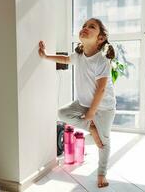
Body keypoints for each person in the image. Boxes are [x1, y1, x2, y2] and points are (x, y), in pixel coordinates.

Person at [38, 18, 116, 188]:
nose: (85, 28)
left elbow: (101, 90)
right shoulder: (79, 56)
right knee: (62, 113)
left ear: (100, 38)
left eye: (91, 27)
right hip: (83, 103)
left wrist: (91, 113)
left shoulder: (101, 61)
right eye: (84, 26)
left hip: (104, 107)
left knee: (104, 142)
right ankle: (92, 130)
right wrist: (45, 56)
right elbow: (65, 59)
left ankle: (101, 173)